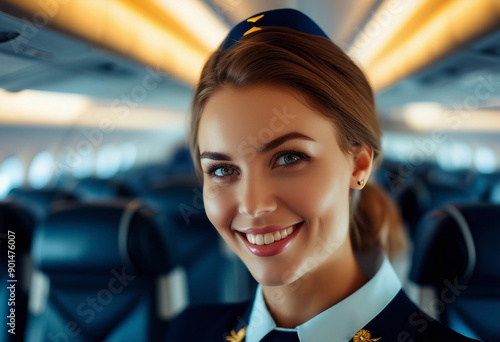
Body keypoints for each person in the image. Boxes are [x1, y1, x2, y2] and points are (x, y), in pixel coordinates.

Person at [164, 8, 478, 342]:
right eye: (223, 170)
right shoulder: (188, 331)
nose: (253, 205)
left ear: (358, 165)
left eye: (288, 158)